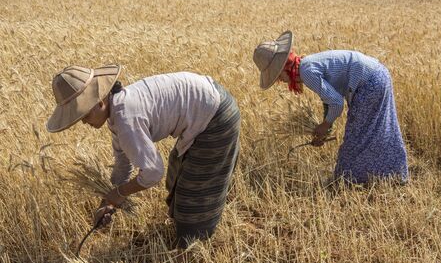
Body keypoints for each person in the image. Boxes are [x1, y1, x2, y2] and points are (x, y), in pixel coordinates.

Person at [47, 65, 241, 248]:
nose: (83, 123)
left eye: (84, 116)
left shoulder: (125, 119)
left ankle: (190, 251)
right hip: (209, 104)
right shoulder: (118, 109)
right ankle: (184, 234)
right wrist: (107, 203)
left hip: (216, 117)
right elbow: (123, 165)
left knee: (194, 190)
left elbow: (153, 173)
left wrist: (120, 193)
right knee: (177, 172)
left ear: (99, 102)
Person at [253, 30, 408, 184]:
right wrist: (325, 131)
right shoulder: (306, 64)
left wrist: (325, 125)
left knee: (356, 137)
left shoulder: (306, 72)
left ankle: (348, 179)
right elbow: (329, 101)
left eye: (277, 76)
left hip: (369, 84)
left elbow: (336, 102)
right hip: (378, 75)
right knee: (379, 130)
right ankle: (392, 174)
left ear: (283, 68)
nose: (280, 80)